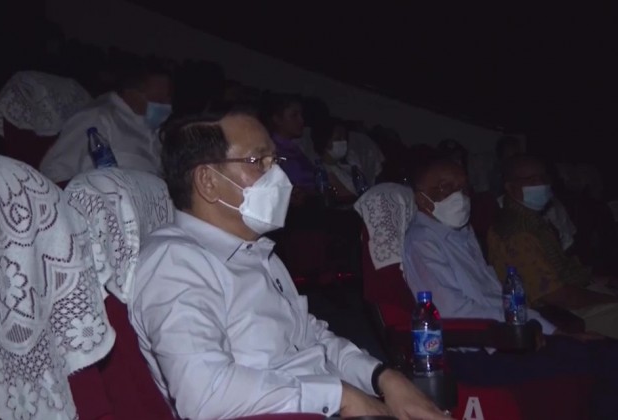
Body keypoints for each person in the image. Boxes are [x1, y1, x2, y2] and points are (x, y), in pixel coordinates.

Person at [129, 108, 447, 420]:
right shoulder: (175, 263)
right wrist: (338, 395)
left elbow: (310, 338)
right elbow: (205, 394)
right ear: (208, 181)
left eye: (275, 161)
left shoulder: (257, 252)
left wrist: (382, 377)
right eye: (259, 162)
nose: (280, 177)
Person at [402, 158, 618, 419]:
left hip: (508, 337)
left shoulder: (462, 234)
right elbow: (453, 312)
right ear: (422, 199)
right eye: (445, 188)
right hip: (478, 351)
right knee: (615, 361)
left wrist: (555, 331)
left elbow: (499, 299)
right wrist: (524, 332)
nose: (459, 196)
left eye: (463, 188)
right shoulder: (423, 241)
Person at [487, 155, 618, 418]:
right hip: (554, 313)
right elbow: (555, 295)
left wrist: (607, 282)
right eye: (530, 180)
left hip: (568, 297)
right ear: (510, 187)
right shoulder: (516, 231)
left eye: (543, 177)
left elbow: (564, 270)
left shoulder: (533, 220)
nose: (540, 184)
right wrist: (616, 301)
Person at [39, 56, 173, 184]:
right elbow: (55, 173)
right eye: (159, 101)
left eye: (168, 99)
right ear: (131, 93)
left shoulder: (157, 131)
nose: (167, 106)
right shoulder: (96, 118)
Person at [264, 94, 316, 206]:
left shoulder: (300, 147)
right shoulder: (270, 149)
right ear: (277, 119)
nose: (301, 120)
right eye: (294, 115)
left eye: (301, 115)